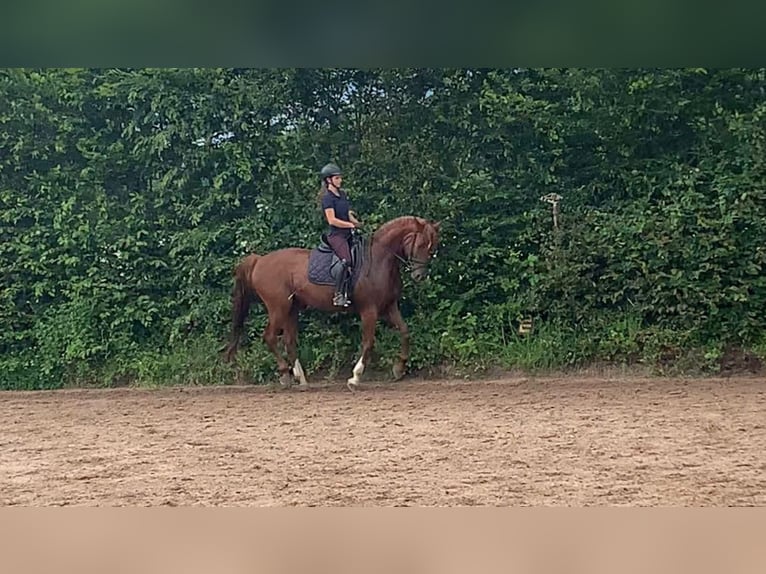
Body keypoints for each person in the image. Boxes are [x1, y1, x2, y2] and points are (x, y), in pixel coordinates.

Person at [318, 163, 361, 307]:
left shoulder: (342, 194)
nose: (340, 180)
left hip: (349, 233)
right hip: (337, 236)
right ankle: (338, 294)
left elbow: (347, 213)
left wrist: (356, 223)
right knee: (346, 260)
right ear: (329, 180)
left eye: (340, 178)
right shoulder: (327, 199)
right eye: (337, 178)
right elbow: (332, 220)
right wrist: (350, 225)